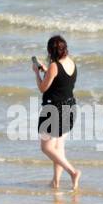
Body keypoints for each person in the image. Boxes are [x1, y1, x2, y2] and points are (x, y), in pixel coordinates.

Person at [32, 34, 81, 190]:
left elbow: (42, 88)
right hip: (70, 107)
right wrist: (47, 71)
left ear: (51, 51)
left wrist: (36, 73)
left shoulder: (54, 66)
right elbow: (61, 81)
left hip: (54, 110)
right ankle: (56, 182)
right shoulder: (71, 63)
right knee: (58, 148)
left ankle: (73, 172)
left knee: (46, 148)